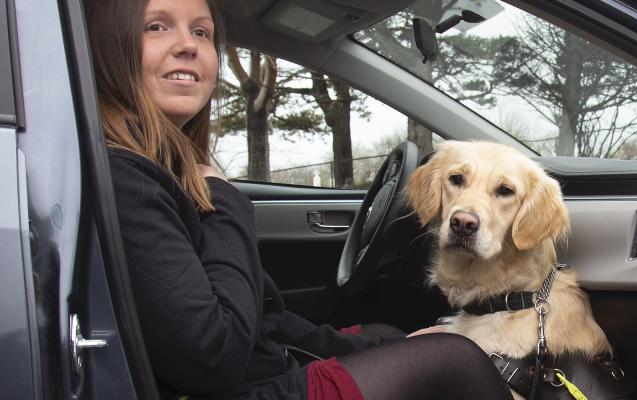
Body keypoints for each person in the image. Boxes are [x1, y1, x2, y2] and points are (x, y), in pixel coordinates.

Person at [86, 0, 512, 398]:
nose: (187, 45)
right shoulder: (128, 181)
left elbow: (264, 321)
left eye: (202, 32)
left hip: (261, 368)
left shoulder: (166, 172)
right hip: (233, 386)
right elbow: (215, 356)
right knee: (454, 358)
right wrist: (222, 197)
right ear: (112, 48)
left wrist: (384, 346)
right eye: (157, 27)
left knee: (393, 333)